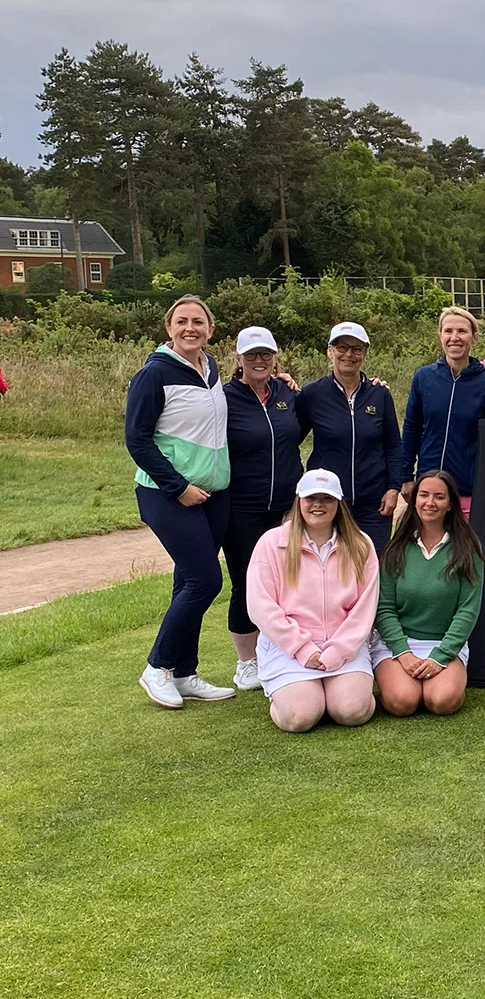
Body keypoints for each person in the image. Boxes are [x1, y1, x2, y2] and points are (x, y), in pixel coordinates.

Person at [125, 294, 237, 708]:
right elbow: (136, 439)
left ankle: (184, 672)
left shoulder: (210, 369)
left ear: (210, 329)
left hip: (212, 495)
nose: (191, 328)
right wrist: (177, 486)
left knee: (186, 580)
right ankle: (157, 667)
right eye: (182, 322)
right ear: (168, 328)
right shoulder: (153, 374)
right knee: (205, 581)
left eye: (199, 322)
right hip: (168, 494)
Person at [246, 468, 378, 733]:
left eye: (327, 499)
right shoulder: (271, 543)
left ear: (338, 504)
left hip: (345, 646)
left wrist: (339, 650)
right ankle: (292, 695)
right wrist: (302, 648)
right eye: (311, 498)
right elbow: (261, 606)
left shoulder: (361, 544)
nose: (318, 505)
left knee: (352, 711)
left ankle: (332, 693)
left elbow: (365, 609)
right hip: (288, 648)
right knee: (300, 717)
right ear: (299, 501)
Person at [222, 326, 303, 692]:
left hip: (287, 507)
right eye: (252, 355)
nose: (259, 361)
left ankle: (282, 650)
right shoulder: (223, 398)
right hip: (242, 506)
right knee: (246, 583)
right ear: (238, 359)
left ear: (275, 358)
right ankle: (246, 662)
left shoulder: (286, 392)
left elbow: (292, 435)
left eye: (265, 354)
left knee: (290, 583)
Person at [372, 470, 485, 717]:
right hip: (398, 643)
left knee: (443, 701)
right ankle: (405, 681)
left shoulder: (467, 550)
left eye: (439, 497)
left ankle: (434, 680)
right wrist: (403, 652)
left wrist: (440, 656)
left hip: (443, 642)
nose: (430, 503)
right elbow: (384, 608)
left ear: (450, 505)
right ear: (414, 501)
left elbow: (467, 610)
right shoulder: (396, 548)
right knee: (402, 702)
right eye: (423, 495)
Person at [295, 321, 405, 556]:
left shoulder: (379, 394)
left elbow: (394, 444)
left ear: (364, 354)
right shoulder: (312, 394)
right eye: (341, 347)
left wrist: (394, 487)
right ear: (330, 351)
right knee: (330, 570)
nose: (348, 354)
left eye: (356, 349)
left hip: (374, 504)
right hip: (328, 501)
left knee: (372, 568)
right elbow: (290, 438)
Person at [401, 306, 485, 514]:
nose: (454, 337)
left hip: (466, 489)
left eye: (462, 331)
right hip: (428, 486)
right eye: (448, 331)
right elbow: (411, 428)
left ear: (474, 337)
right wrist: (405, 477)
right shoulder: (424, 378)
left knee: (464, 546)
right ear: (439, 335)